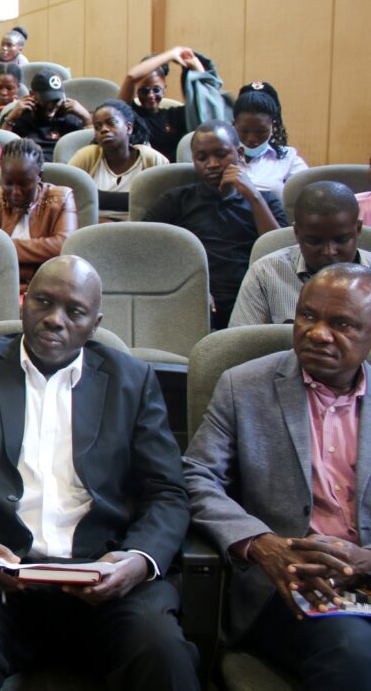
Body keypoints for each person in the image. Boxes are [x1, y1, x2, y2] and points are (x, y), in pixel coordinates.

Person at [0, 255, 198, 691]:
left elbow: (167, 492)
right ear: (24, 303)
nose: (54, 320)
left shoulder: (131, 381)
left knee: (162, 649)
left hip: (104, 573)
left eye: (74, 312)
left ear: (94, 323)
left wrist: (139, 559)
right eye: (42, 302)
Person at [183, 262, 371, 689]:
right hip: (291, 586)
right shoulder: (244, 386)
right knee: (352, 652)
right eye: (307, 316)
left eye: (341, 323)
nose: (318, 333)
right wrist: (262, 545)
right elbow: (195, 478)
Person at [142, 120, 287, 328]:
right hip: (190, 296)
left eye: (221, 155)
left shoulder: (266, 200)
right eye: (202, 158)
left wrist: (254, 197)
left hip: (252, 296)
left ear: (239, 153)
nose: (212, 164)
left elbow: (279, 253)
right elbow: (142, 248)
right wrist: (189, 286)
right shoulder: (176, 201)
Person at [230, 181, 370, 327]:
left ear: (358, 229)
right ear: (297, 233)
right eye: (315, 242)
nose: (329, 251)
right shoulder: (265, 274)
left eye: (341, 240)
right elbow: (241, 346)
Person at [0, 138, 78, 287]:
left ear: (39, 177)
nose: (16, 192)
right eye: (8, 183)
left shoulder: (61, 198)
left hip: (47, 285)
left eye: (24, 184)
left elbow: (64, 245)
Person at [117, 46, 230, 164]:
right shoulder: (132, 115)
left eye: (156, 90)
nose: (150, 95)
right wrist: (171, 54)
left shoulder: (176, 116)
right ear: (136, 90)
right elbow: (131, 77)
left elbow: (206, 97)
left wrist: (194, 64)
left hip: (174, 175)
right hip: (143, 173)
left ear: (164, 88)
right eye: (144, 90)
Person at [68, 99, 169, 220]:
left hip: (141, 231)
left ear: (128, 128)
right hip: (93, 230)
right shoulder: (86, 156)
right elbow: (67, 198)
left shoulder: (152, 159)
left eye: (111, 123)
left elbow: (166, 204)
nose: (104, 129)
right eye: (97, 127)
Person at [234, 81, 308, 197]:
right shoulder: (222, 155)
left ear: (273, 126)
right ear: (234, 125)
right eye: (244, 131)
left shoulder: (288, 157)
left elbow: (309, 190)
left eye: (261, 131)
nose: (252, 139)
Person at [0, 68, 91, 162]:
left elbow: (93, 150)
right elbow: (0, 148)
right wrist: (11, 118)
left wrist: (87, 118)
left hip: (63, 170)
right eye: (47, 100)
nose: (53, 105)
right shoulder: (18, 116)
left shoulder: (71, 117)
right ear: (32, 94)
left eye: (56, 100)